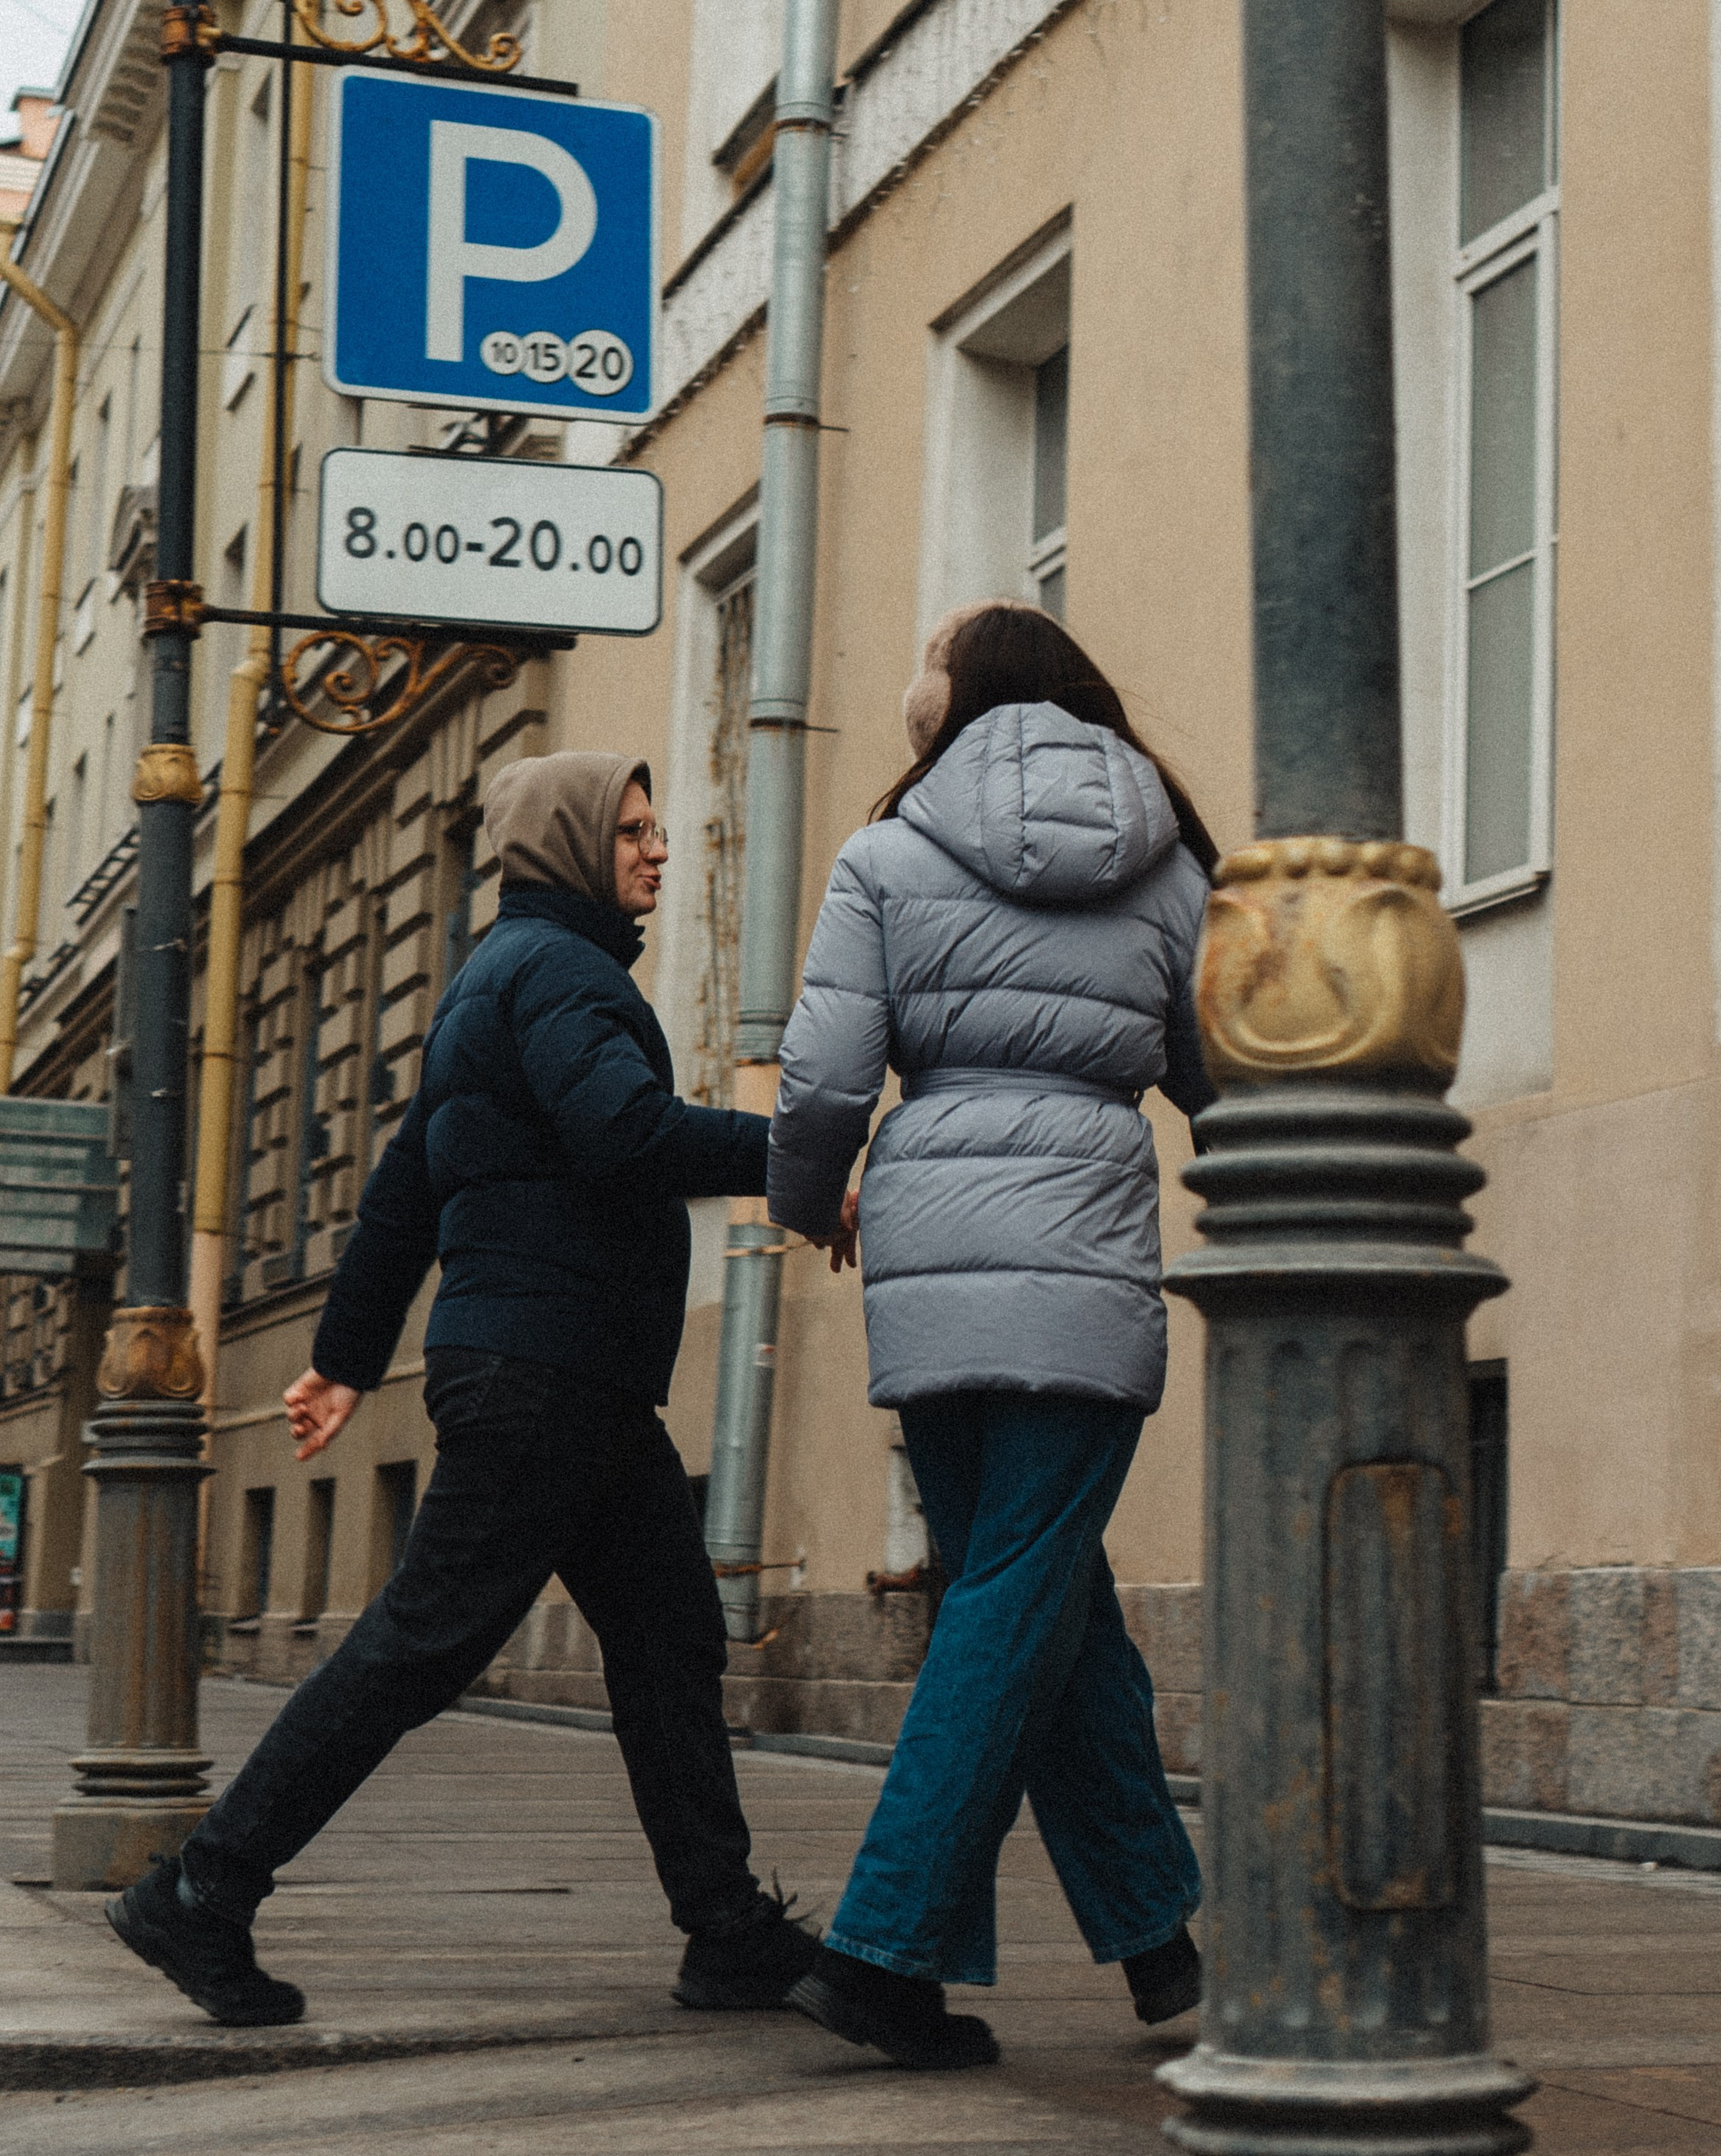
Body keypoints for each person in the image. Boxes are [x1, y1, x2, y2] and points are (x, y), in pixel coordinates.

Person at [107, 749, 814, 2028]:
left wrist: (343, 1359)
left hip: (572, 1379)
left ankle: (726, 1931)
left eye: (656, 828)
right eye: (633, 831)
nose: (659, 850)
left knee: (668, 1638)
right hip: (547, 1375)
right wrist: (804, 1159)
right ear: (571, 845)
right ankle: (202, 1889)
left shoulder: (494, 977)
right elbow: (626, 1134)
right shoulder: (564, 975)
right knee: (419, 1646)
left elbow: (404, 1188)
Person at [768, 602, 1217, 2071]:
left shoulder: (885, 855)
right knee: (1025, 1594)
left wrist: (806, 1201)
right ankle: (889, 1953)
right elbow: (1225, 1075)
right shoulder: (1170, 865)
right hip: (1084, 1260)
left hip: (928, 1266)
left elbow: (823, 1082)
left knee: (1028, 1596)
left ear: (956, 697)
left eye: (926, 659)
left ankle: (1144, 1941)